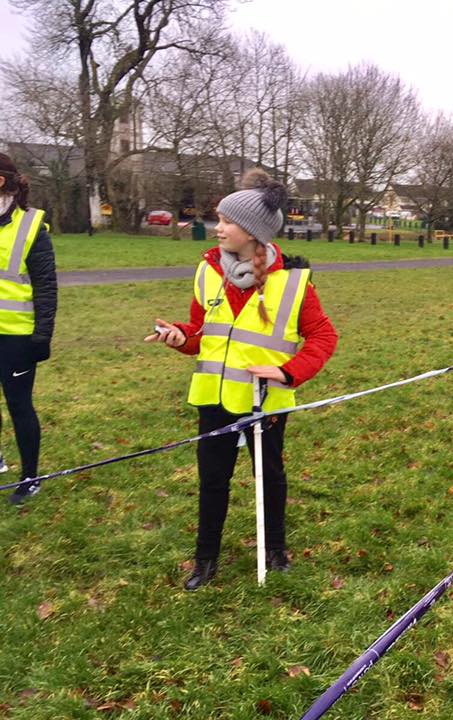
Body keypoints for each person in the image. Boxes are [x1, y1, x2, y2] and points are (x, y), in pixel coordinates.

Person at [146, 169, 338, 591]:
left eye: (227, 221)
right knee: (211, 479)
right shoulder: (207, 271)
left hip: (263, 401)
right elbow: (201, 333)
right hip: (213, 397)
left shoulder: (293, 281)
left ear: (252, 233)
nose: (218, 228)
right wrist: (180, 336)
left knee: (269, 476)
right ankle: (205, 559)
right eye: (218, 217)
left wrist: (289, 371)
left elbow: (324, 335)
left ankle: (275, 551)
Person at [0, 153, 58, 505]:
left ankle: (30, 477)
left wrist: (43, 335)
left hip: (18, 337)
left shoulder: (31, 225)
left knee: (19, 406)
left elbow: (46, 286)